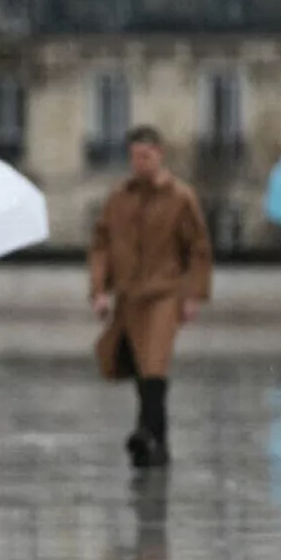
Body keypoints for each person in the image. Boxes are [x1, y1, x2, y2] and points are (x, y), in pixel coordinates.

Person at [88, 125, 213, 470]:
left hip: (164, 293)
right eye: (134, 157)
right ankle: (158, 441)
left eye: (146, 156)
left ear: (160, 154)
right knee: (138, 365)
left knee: (155, 363)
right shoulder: (118, 197)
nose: (139, 163)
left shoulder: (180, 197)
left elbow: (198, 249)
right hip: (129, 295)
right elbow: (101, 245)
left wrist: (192, 296)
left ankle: (146, 432)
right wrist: (99, 291)